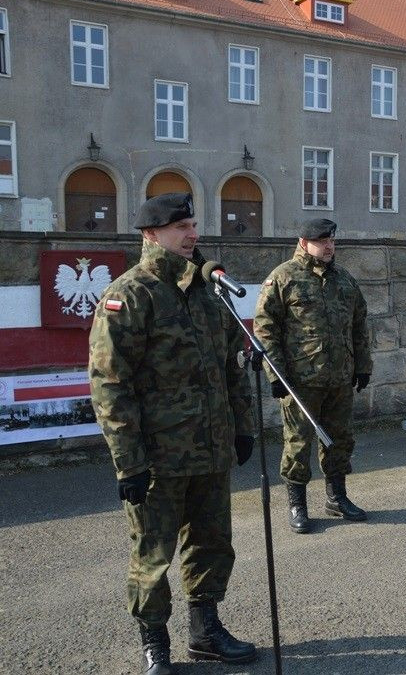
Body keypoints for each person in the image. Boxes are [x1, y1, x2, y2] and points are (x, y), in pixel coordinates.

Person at [89, 192, 258, 674]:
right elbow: (110, 384)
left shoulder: (209, 291)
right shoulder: (131, 295)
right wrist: (129, 462)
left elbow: (232, 366)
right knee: (153, 553)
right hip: (158, 457)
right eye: (181, 226)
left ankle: (205, 632)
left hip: (210, 449)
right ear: (151, 234)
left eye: (193, 224)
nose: (192, 234)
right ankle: (155, 644)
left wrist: (242, 429)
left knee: (212, 544)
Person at [253, 218, 373, 534]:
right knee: (298, 443)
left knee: (340, 439)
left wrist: (363, 365)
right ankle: (298, 505)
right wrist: (275, 373)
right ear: (304, 243)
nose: (330, 247)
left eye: (332, 241)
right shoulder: (283, 278)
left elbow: (359, 325)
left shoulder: (344, 281)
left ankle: (336, 497)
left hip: (339, 379)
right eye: (323, 242)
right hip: (299, 381)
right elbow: (265, 328)